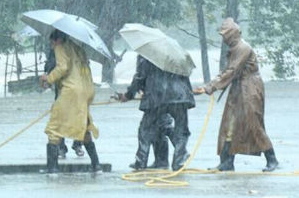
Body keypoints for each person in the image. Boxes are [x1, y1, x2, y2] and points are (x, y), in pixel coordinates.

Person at [194, 17, 279, 172]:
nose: (224, 38)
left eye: (225, 35)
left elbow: (231, 71)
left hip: (250, 89)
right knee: (229, 124)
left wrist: (210, 87)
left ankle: (272, 159)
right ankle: (226, 161)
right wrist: (209, 86)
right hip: (238, 89)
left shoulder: (242, 48)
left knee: (254, 124)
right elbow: (229, 71)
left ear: (232, 34)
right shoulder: (235, 48)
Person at [118, 55, 195, 171]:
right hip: (180, 97)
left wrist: (128, 95)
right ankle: (178, 159)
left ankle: (141, 161)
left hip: (157, 97)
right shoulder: (178, 56)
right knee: (180, 130)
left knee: (146, 129)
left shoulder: (147, 54)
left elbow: (140, 77)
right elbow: (186, 75)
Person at [40, 30, 100, 173]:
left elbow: (63, 67)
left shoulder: (61, 47)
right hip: (87, 91)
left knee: (54, 127)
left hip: (71, 92)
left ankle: (52, 168)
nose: (52, 46)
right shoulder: (79, 49)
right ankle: (96, 165)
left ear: (58, 40)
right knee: (84, 126)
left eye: (52, 43)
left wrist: (48, 79)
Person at [44, 45, 84, 159]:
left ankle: (77, 144)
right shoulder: (55, 51)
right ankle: (62, 147)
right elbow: (50, 66)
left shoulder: (78, 50)